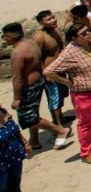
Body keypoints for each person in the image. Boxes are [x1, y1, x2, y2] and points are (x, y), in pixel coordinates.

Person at [42, 24, 91, 164]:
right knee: (85, 124)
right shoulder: (69, 53)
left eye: (88, 31)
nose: (88, 34)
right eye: (83, 33)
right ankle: (86, 153)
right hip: (84, 94)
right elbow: (48, 71)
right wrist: (66, 82)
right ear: (74, 38)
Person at [3, 22, 72, 150]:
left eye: (5, 36)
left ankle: (60, 130)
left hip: (28, 86)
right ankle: (34, 140)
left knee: (28, 118)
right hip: (39, 81)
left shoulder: (18, 53)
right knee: (33, 112)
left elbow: (17, 78)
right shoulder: (31, 44)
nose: (4, 39)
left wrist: (16, 98)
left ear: (11, 36)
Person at [0, 104, 30, 192]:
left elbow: (15, 130)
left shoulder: (3, 112)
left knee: (14, 185)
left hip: (14, 157)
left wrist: (25, 142)